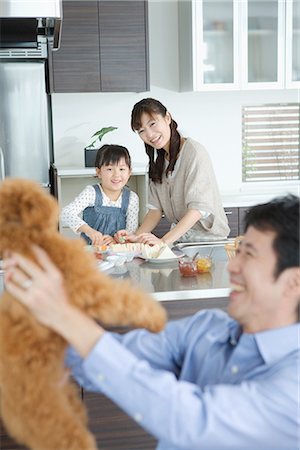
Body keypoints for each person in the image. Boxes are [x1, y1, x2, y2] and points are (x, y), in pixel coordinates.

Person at [3, 194, 300, 450]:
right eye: (238, 251)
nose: (232, 266)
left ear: (293, 282)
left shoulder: (293, 388)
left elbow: (192, 420)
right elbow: (116, 355)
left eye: (248, 255)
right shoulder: (207, 329)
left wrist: (66, 316)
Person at [115, 98, 230, 246]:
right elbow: (155, 210)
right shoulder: (158, 162)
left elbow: (198, 209)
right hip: (183, 240)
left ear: (167, 118)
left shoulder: (194, 153)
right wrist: (136, 237)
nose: (149, 134)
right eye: (142, 131)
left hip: (208, 242)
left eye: (152, 124)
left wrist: (163, 241)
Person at [61, 144, 139, 246]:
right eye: (110, 169)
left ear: (129, 172)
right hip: (90, 250)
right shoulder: (91, 193)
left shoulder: (132, 198)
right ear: (99, 172)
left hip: (117, 252)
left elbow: (131, 232)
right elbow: (66, 213)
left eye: (122, 169)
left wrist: (116, 240)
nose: (116, 175)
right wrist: (89, 231)